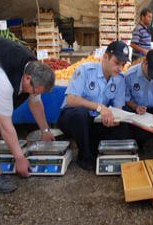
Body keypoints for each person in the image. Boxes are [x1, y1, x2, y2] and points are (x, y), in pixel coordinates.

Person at [0, 36, 55, 193]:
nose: (35, 94)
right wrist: (20, 158)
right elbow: (5, 123)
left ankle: (0, 150)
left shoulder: (33, 70)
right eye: (35, 90)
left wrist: (45, 130)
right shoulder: (3, 79)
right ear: (28, 79)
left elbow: (36, 102)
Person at [57, 41, 132, 171]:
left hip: (96, 120)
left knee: (124, 126)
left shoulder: (120, 79)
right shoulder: (85, 70)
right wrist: (99, 107)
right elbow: (71, 100)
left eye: (123, 64)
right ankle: (84, 156)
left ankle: (101, 149)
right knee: (81, 114)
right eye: (117, 63)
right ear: (106, 57)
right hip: (72, 118)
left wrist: (114, 119)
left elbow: (118, 108)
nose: (120, 68)